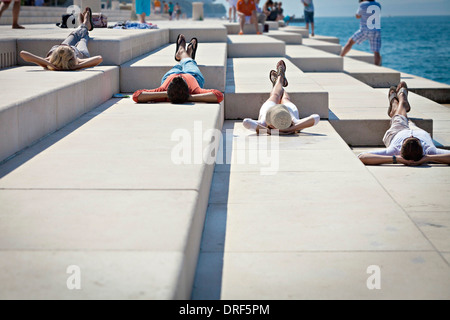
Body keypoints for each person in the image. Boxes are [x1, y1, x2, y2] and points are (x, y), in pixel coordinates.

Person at [358, 81, 450, 166]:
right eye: (416, 140)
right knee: (406, 119)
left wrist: (396, 159)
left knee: (399, 118)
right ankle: (400, 104)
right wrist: (428, 158)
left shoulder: (393, 151)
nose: (411, 136)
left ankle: (399, 102)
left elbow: (361, 157)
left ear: (400, 151)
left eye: (407, 140)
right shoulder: (430, 151)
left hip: (397, 132)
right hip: (418, 131)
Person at [132, 34, 224, 104]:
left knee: (181, 64)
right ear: (188, 90)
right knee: (188, 62)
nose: (179, 76)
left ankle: (182, 52)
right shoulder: (195, 91)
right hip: (192, 75)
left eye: (176, 80)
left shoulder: (163, 90)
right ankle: (184, 53)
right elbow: (218, 95)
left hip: (171, 74)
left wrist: (165, 93)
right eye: (181, 79)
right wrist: (189, 97)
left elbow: (136, 95)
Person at [243, 60, 320, 135]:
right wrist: (290, 129)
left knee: (275, 95)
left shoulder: (263, 122)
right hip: (288, 111)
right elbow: (316, 118)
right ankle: (280, 78)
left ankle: (278, 80)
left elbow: (246, 122)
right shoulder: (296, 124)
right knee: (284, 98)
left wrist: (270, 132)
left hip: (269, 111)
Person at [19, 8, 103, 71]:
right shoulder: (77, 60)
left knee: (74, 34)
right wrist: (77, 66)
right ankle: (85, 24)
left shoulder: (50, 60)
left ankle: (84, 25)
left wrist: (47, 63)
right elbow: (99, 58)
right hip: (80, 53)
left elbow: (23, 54)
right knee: (83, 38)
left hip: (62, 53)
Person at [341, 0, 382, 66]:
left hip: (365, 29)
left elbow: (357, 16)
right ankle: (377, 67)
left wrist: (361, 5)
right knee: (376, 52)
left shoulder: (363, 4)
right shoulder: (378, 4)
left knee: (350, 42)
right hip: (375, 30)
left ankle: (341, 57)